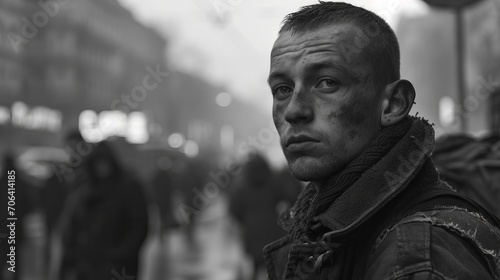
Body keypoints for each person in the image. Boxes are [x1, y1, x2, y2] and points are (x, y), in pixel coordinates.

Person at [263, 2, 500, 279]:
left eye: (327, 82)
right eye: (282, 89)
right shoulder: (325, 228)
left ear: (393, 104)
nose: (293, 111)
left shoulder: (419, 259)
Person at [59, 141, 148, 280]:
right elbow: (72, 225)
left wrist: (120, 254)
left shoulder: (129, 187)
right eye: (98, 163)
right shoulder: (84, 189)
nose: (102, 167)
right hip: (87, 266)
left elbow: (138, 226)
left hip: (116, 267)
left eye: (104, 162)